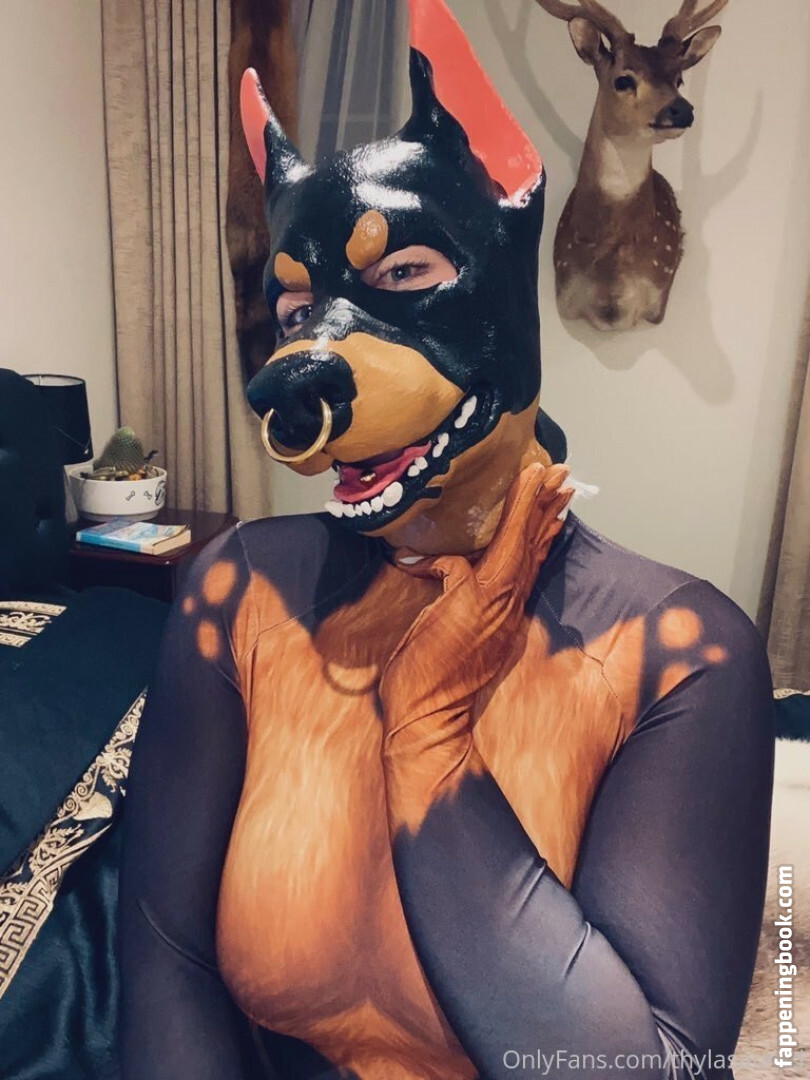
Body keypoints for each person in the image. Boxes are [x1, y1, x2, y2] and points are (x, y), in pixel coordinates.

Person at [119, 2, 774, 1077]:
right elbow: (164, 959)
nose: (304, 360)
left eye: (403, 276)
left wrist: (429, 738)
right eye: (298, 314)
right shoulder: (239, 591)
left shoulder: (682, 652)